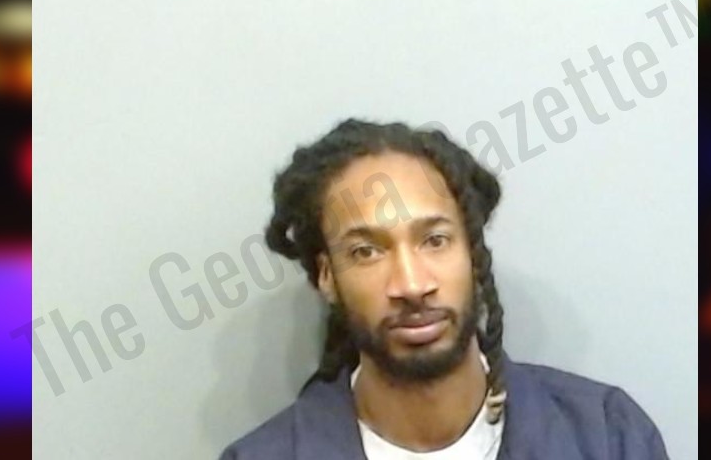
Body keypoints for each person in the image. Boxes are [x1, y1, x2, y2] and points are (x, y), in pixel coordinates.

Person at [219, 118, 669, 459]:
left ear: (472, 252)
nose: (412, 285)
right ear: (326, 276)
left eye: (435, 240)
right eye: (366, 251)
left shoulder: (606, 437)